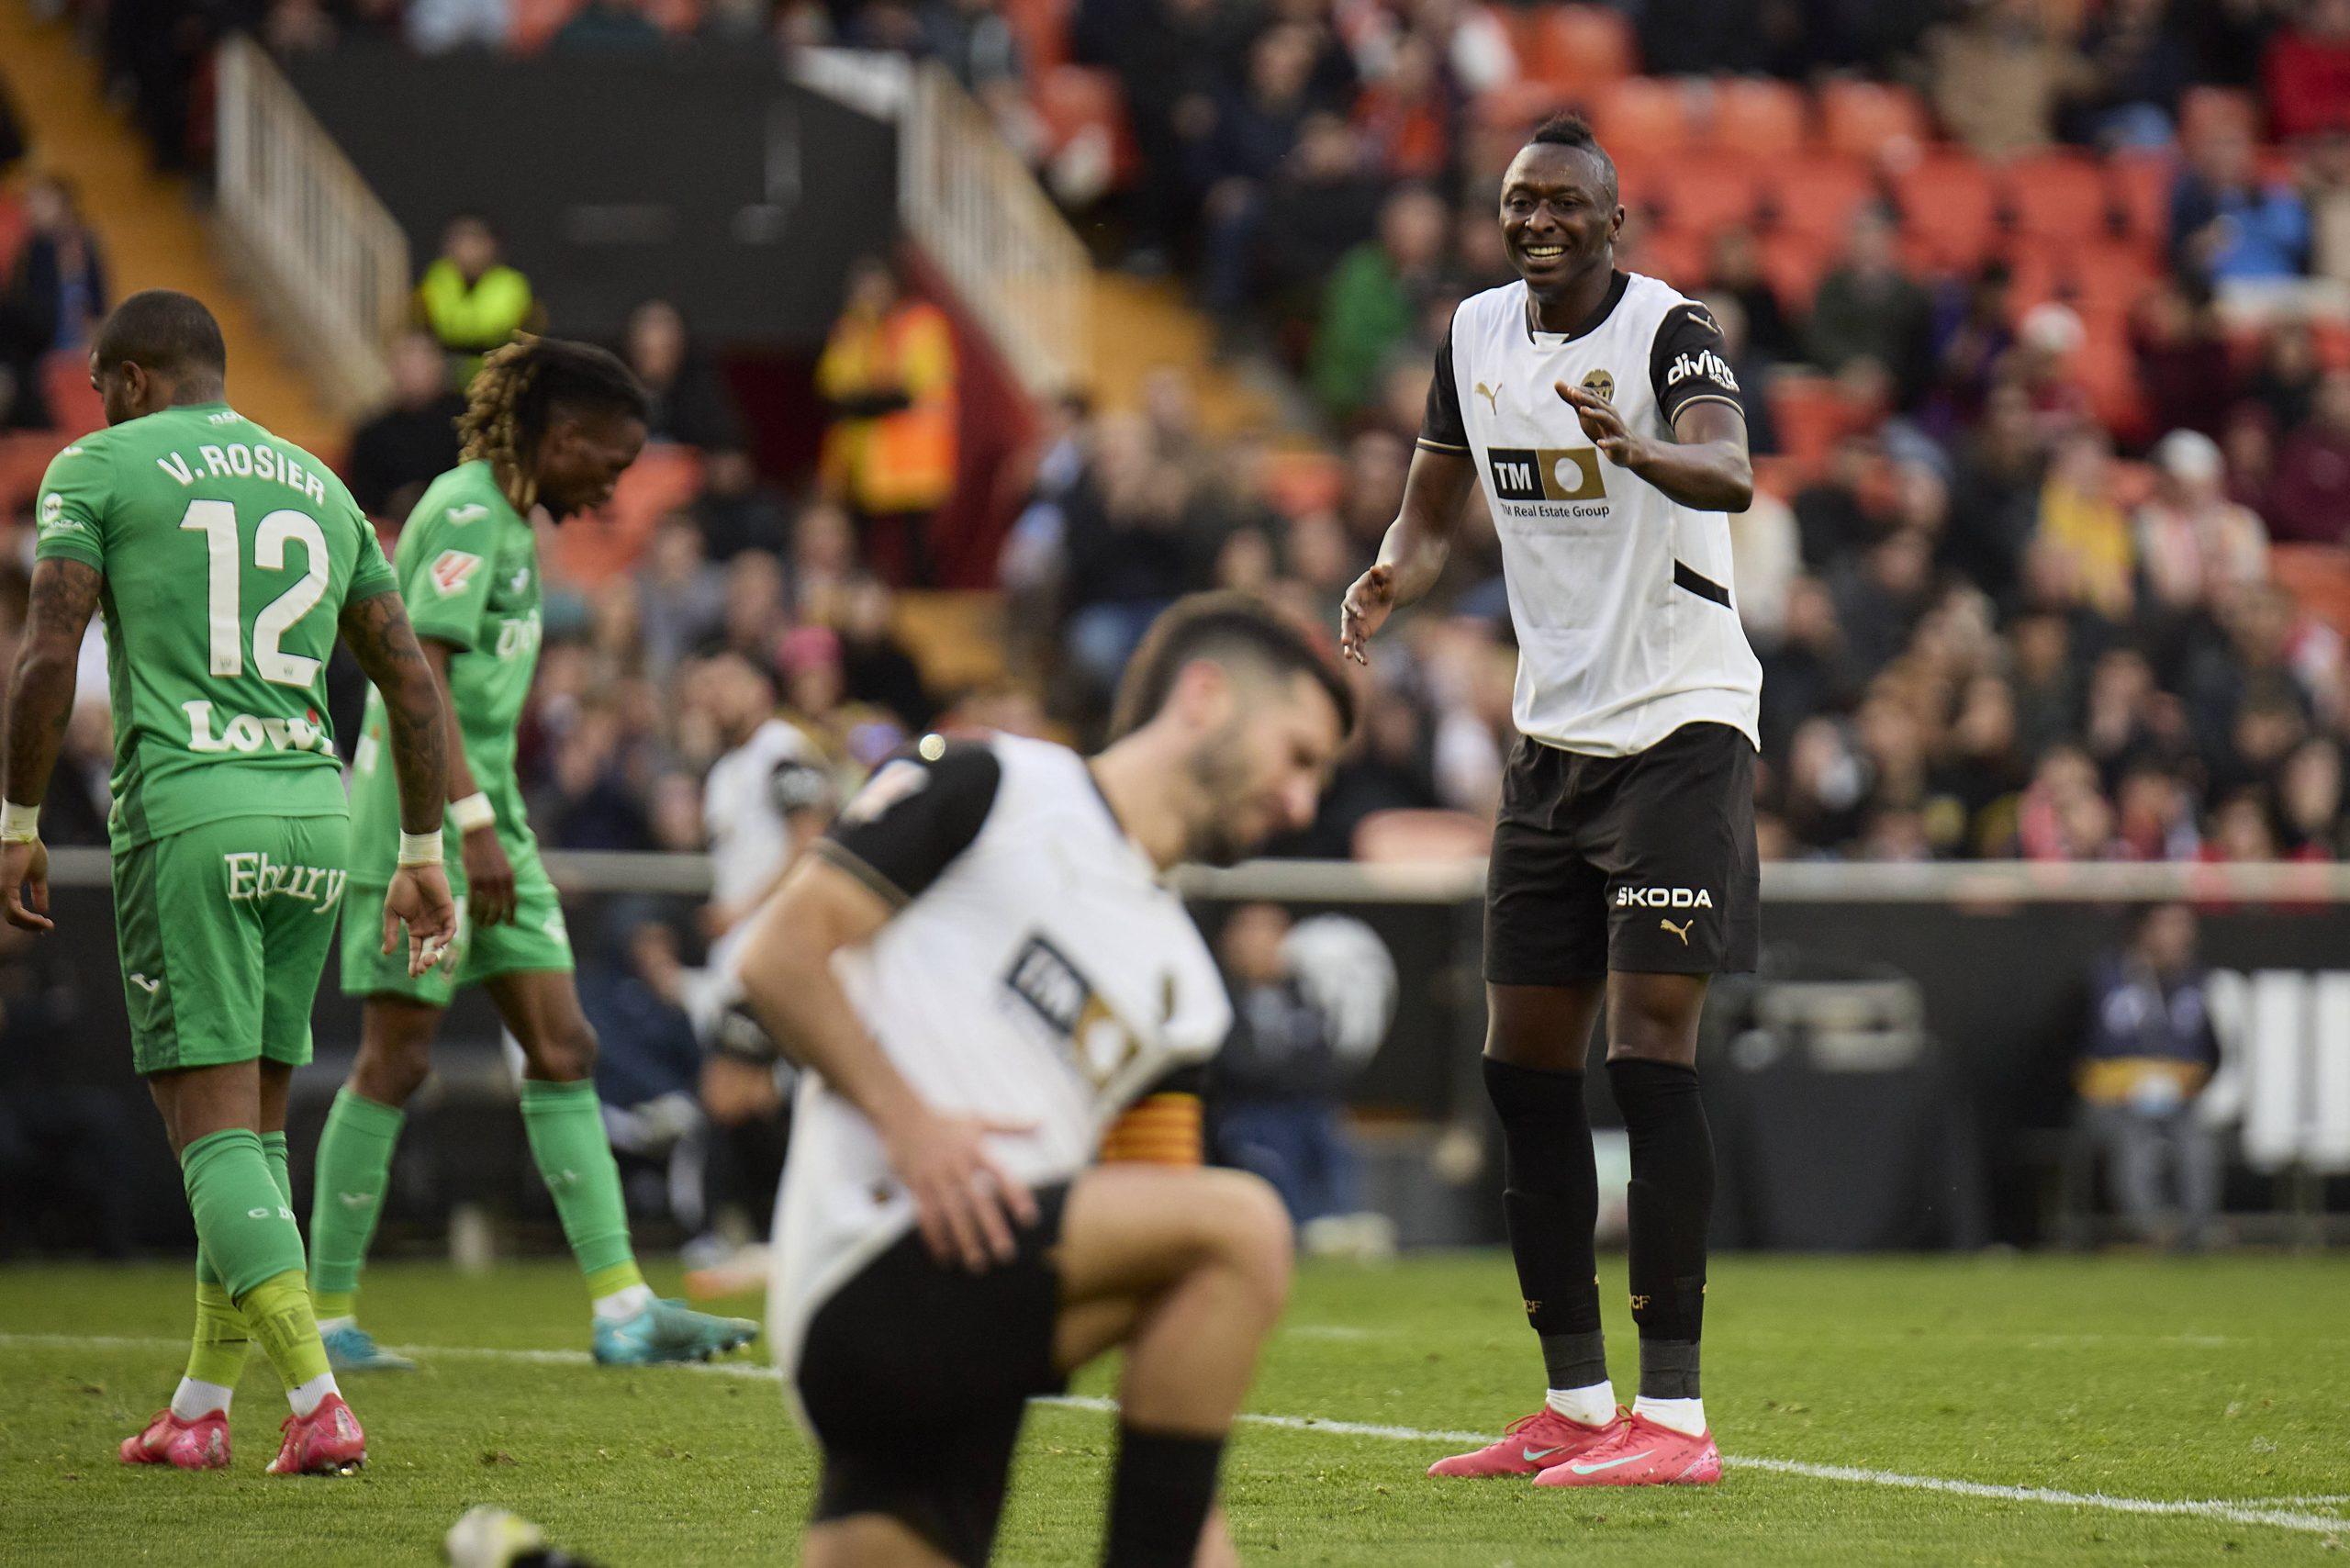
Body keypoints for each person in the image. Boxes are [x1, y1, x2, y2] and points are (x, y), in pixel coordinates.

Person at [733, 592, 1350, 1567]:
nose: (1300, 803)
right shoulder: (992, 782)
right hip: (876, 1264)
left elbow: (1165, 1259)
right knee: (1246, 1227)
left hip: (978, 1345)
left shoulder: (1188, 990)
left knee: (1213, 1237)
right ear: (1205, 695)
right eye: (1300, 755)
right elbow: (777, 956)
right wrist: (911, 1122)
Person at [1340, 112, 1758, 1488]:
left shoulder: (1668, 331)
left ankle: (1678, 1423)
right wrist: (1397, 563)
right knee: (1521, 1070)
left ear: (1613, 222)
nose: (1541, 219)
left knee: (1646, 1053)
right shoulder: (1472, 337)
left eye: (1568, 203)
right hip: (1551, 745)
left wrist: (1633, 449)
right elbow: (1434, 500)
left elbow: (1731, 469)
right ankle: (1577, 1404)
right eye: (1522, 199)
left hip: (1682, 727)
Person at [0, 289, 459, 1473]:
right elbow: (411, 685)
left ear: (136, 379)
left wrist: (15, 816)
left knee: (203, 1130)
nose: (98, 404)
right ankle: (202, 1407)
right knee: (252, 1127)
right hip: (316, 817)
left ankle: (317, 1401)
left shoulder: (96, 467)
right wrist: (417, 851)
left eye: (104, 383)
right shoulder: (321, 482)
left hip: (193, 810)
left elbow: (51, 649)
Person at [306, 337, 759, 1372]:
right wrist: (462, 826)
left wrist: (490, 822)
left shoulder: (505, 518)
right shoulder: (468, 508)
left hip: (489, 821)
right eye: (610, 457)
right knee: (397, 1060)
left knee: (565, 1049)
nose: (616, 482)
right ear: (558, 439)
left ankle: (623, 1311)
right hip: (419, 826)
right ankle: (324, 1318)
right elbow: (417, 670)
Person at [2076, 903, 2223, 1249]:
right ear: (2145, 931)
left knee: (2197, 1140)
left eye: (2185, 927)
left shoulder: (2196, 982)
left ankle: (2196, 1232)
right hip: (2114, 1102)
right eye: (2170, 926)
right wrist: (2125, 1080)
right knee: (2134, 1140)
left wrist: (2181, 1080)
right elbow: (2074, 1054)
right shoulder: (2106, 978)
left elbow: (2213, 1055)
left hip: (2174, 1102)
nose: (2182, 936)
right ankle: (2151, 1229)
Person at [814, 257, 958, 585]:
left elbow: (918, 388)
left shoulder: (921, 323)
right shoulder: (853, 328)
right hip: (864, 456)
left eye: (875, 285)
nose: (869, 295)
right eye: (862, 288)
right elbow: (833, 385)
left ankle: (925, 598)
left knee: (918, 543)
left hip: (913, 457)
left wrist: (868, 399)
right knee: (861, 537)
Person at [344, 330, 466, 519]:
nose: (411, 369)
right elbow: (360, 500)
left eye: (420, 360)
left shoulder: (467, 422)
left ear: (438, 364)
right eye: (404, 360)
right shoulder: (372, 433)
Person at [412, 215, 542, 386]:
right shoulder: (434, 281)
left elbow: (509, 333)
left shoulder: (512, 285)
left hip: (499, 381)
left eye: (472, 238)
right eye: (457, 238)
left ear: (491, 245)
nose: (464, 246)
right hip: (442, 385)